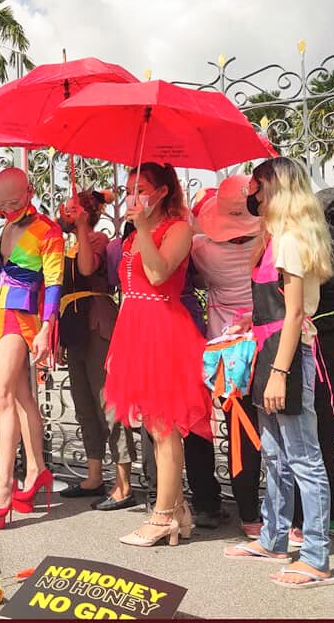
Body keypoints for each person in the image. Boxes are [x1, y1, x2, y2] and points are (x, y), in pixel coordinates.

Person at [224, 157, 334, 589]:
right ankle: (273, 538)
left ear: (273, 188)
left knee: (304, 457)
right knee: (274, 452)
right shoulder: (273, 238)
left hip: (285, 355)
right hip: (268, 349)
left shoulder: (290, 240)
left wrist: (278, 371)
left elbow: (293, 315)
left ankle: (316, 556)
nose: (249, 194)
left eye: (255, 186)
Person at [104, 162, 209, 547]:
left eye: (141, 187)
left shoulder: (179, 227)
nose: (132, 195)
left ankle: (163, 515)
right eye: (129, 188)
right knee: (152, 424)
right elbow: (127, 287)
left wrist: (144, 228)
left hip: (164, 327)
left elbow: (161, 273)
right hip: (134, 326)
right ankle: (178, 508)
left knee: (165, 425)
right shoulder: (133, 234)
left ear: (162, 191)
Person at [0, 168, 63, 529]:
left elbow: (53, 281)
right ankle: (36, 469)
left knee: (2, 393)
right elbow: (8, 269)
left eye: (14, 201)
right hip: (4, 309)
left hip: (25, 315)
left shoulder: (48, 230)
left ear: (30, 192)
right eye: (1, 202)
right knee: (21, 398)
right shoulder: (7, 229)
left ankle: (5, 483)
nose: (7, 209)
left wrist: (48, 327)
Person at [191, 175, 264, 539]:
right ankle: (295, 519)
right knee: (277, 434)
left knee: (240, 435)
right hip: (265, 340)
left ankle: (249, 517)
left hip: (226, 352)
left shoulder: (203, 250)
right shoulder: (266, 242)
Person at [57, 189, 136, 512]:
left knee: (109, 402)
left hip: (98, 324)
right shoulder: (67, 245)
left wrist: (82, 229)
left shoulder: (98, 240)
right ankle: (93, 476)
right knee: (84, 403)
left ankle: (124, 483)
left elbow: (88, 270)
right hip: (73, 327)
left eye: (72, 210)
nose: (65, 213)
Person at [291, 187, 334, 539]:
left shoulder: (315, 250)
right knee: (331, 428)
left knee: (322, 429)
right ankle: (330, 514)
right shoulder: (328, 251)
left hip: (326, 346)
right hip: (333, 343)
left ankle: (329, 515)